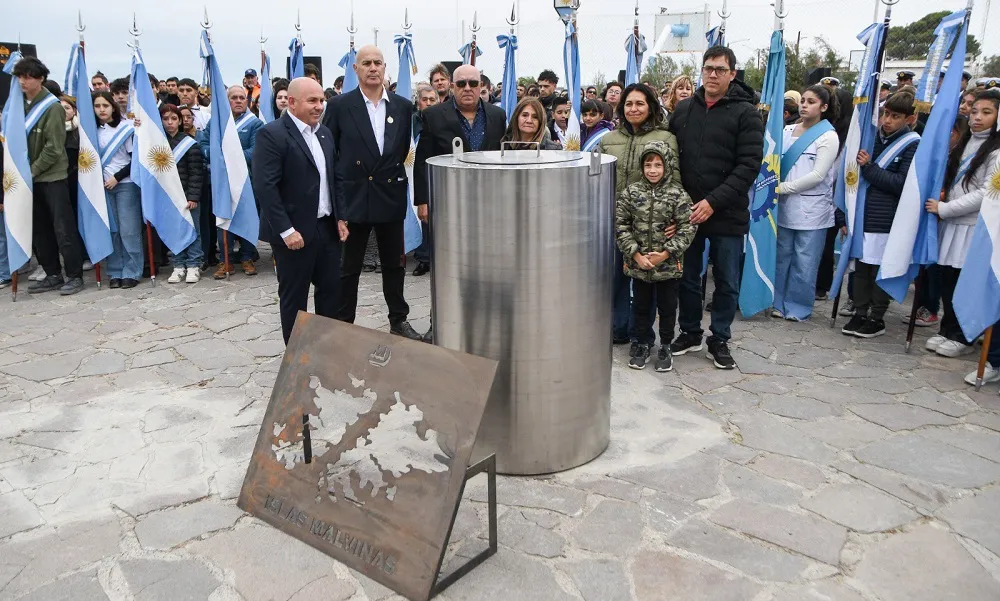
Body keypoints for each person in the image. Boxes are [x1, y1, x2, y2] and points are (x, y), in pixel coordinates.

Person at [668, 45, 764, 369]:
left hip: (728, 213)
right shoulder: (683, 110)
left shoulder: (747, 113)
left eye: (720, 69)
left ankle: (719, 337)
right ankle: (690, 331)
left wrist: (713, 201)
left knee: (727, 282)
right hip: (689, 213)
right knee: (688, 278)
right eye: (708, 67)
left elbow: (749, 165)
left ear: (732, 74)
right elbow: (671, 160)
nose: (712, 74)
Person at [324, 45, 422, 341]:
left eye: (378, 62)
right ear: (356, 69)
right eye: (366, 63)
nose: (372, 68)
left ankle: (398, 319)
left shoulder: (403, 107)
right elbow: (331, 151)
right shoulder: (341, 106)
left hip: (389, 195)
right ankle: (343, 323)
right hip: (353, 197)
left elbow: (402, 150)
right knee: (348, 267)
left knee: (395, 264)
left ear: (384, 67)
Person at [415, 63, 506, 342]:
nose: (468, 88)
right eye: (461, 83)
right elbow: (422, 161)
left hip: (490, 206)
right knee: (446, 267)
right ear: (452, 87)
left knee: (488, 266)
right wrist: (423, 201)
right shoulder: (432, 116)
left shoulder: (497, 115)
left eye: (473, 83)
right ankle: (439, 323)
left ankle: (485, 324)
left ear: (482, 87)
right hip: (448, 205)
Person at [253, 77, 345, 344]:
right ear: (291, 103)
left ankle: (326, 350)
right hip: (294, 234)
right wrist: (286, 230)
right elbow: (265, 187)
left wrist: (341, 218)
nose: (319, 106)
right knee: (295, 300)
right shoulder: (272, 134)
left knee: (331, 294)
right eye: (312, 101)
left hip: (327, 230)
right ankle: (297, 358)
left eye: (321, 100)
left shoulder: (325, 134)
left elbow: (333, 179)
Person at [600, 83, 682, 352]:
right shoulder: (608, 139)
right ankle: (619, 329)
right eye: (628, 104)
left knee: (646, 282)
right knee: (616, 277)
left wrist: (675, 219)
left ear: (651, 107)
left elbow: (675, 180)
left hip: (650, 223)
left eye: (640, 103)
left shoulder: (665, 137)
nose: (634, 109)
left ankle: (649, 336)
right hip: (615, 220)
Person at [924, 90, 1000, 357]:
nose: (977, 117)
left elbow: (987, 193)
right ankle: (947, 329)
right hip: (951, 223)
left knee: (962, 281)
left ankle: (963, 335)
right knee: (947, 278)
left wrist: (945, 208)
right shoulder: (965, 141)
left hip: (972, 226)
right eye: (975, 111)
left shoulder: (996, 150)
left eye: (986, 112)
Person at [840, 90, 920, 339]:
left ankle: (877, 316)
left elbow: (901, 183)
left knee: (879, 270)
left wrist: (869, 168)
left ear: (908, 119)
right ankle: (860, 311)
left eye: (895, 116)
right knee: (861, 268)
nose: (887, 120)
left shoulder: (913, 143)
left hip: (887, 219)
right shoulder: (871, 138)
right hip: (864, 215)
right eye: (885, 113)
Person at [616, 140, 696, 372]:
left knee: (667, 308)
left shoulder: (677, 194)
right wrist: (635, 254)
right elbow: (621, 224)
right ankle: (641, 343)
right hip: (639, 265)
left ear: (667, 166)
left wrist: (667, 252)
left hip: (667, 267)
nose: (652, 170)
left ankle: (666, 346)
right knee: (640, 306)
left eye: (658, 165)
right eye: (648, 164)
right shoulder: (631, 192)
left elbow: (688, 226)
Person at [11, 57, 85, 295]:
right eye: (20, 76)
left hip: (51, 177)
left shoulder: (51, 106)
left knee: (63, 228)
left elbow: (53, 147)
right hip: (29, 180)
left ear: (40, 78)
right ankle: (52, 273)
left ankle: (74, 275)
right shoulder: (19, 104)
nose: (23, 81)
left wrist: (30, 172)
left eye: (28, 76)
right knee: (40, 230)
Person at [771, 85, 841, 322]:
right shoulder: (787, 130)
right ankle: (777, 303)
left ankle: (798, 306)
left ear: (823, 107)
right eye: (802, 100)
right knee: (782, 258)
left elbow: (818, 175)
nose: (804, 105)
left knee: (805, 261)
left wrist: (784, 188)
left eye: (811, 102)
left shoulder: (828, 136)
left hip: (812, 210)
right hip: (783, 207)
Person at [198, 85, 263, 278]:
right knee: (223, 219)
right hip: (222, 181)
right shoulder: (216, 123)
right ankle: (225, 260)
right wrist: (217, 157)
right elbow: (203, 144)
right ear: (227, 101)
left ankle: (246, 257)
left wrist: (227, 157)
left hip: (245, 181)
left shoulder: (254, 124)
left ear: (247, 101)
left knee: (248, 218)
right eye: (234, 97)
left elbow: (254, 152)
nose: (238, 101)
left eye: (242, 97)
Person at [92, 90, 141, 289]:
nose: (102, 110)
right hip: (102, 187)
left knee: (129, 231)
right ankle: (115, 270)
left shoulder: (125, 128)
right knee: (112, 230)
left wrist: (117, 177)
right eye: (97, 106)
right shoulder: (92, 130)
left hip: (125, 185)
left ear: (113, 106)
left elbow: (135, 160)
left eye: (105, 105)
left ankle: (132, 270)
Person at [160, 104, 205, 284]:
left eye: (173, 119)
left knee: (193, 231)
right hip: (168, 197)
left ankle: (193, 264)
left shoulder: (189, 143)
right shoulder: (159, 143)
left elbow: (196, 172)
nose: (170, 123)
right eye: (165, 119)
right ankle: (178, 265)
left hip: (187, 195)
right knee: (174, 231)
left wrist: (193, 196)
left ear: (180, 121)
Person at [411, 84, 438, 277]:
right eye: (424, 99)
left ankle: (433, 257)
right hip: (412, 172)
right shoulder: (411, 122)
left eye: (432, 99)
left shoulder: (441, 120)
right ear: (418, 101)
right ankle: (422, 258)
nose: (428, 103)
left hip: (434, 176)